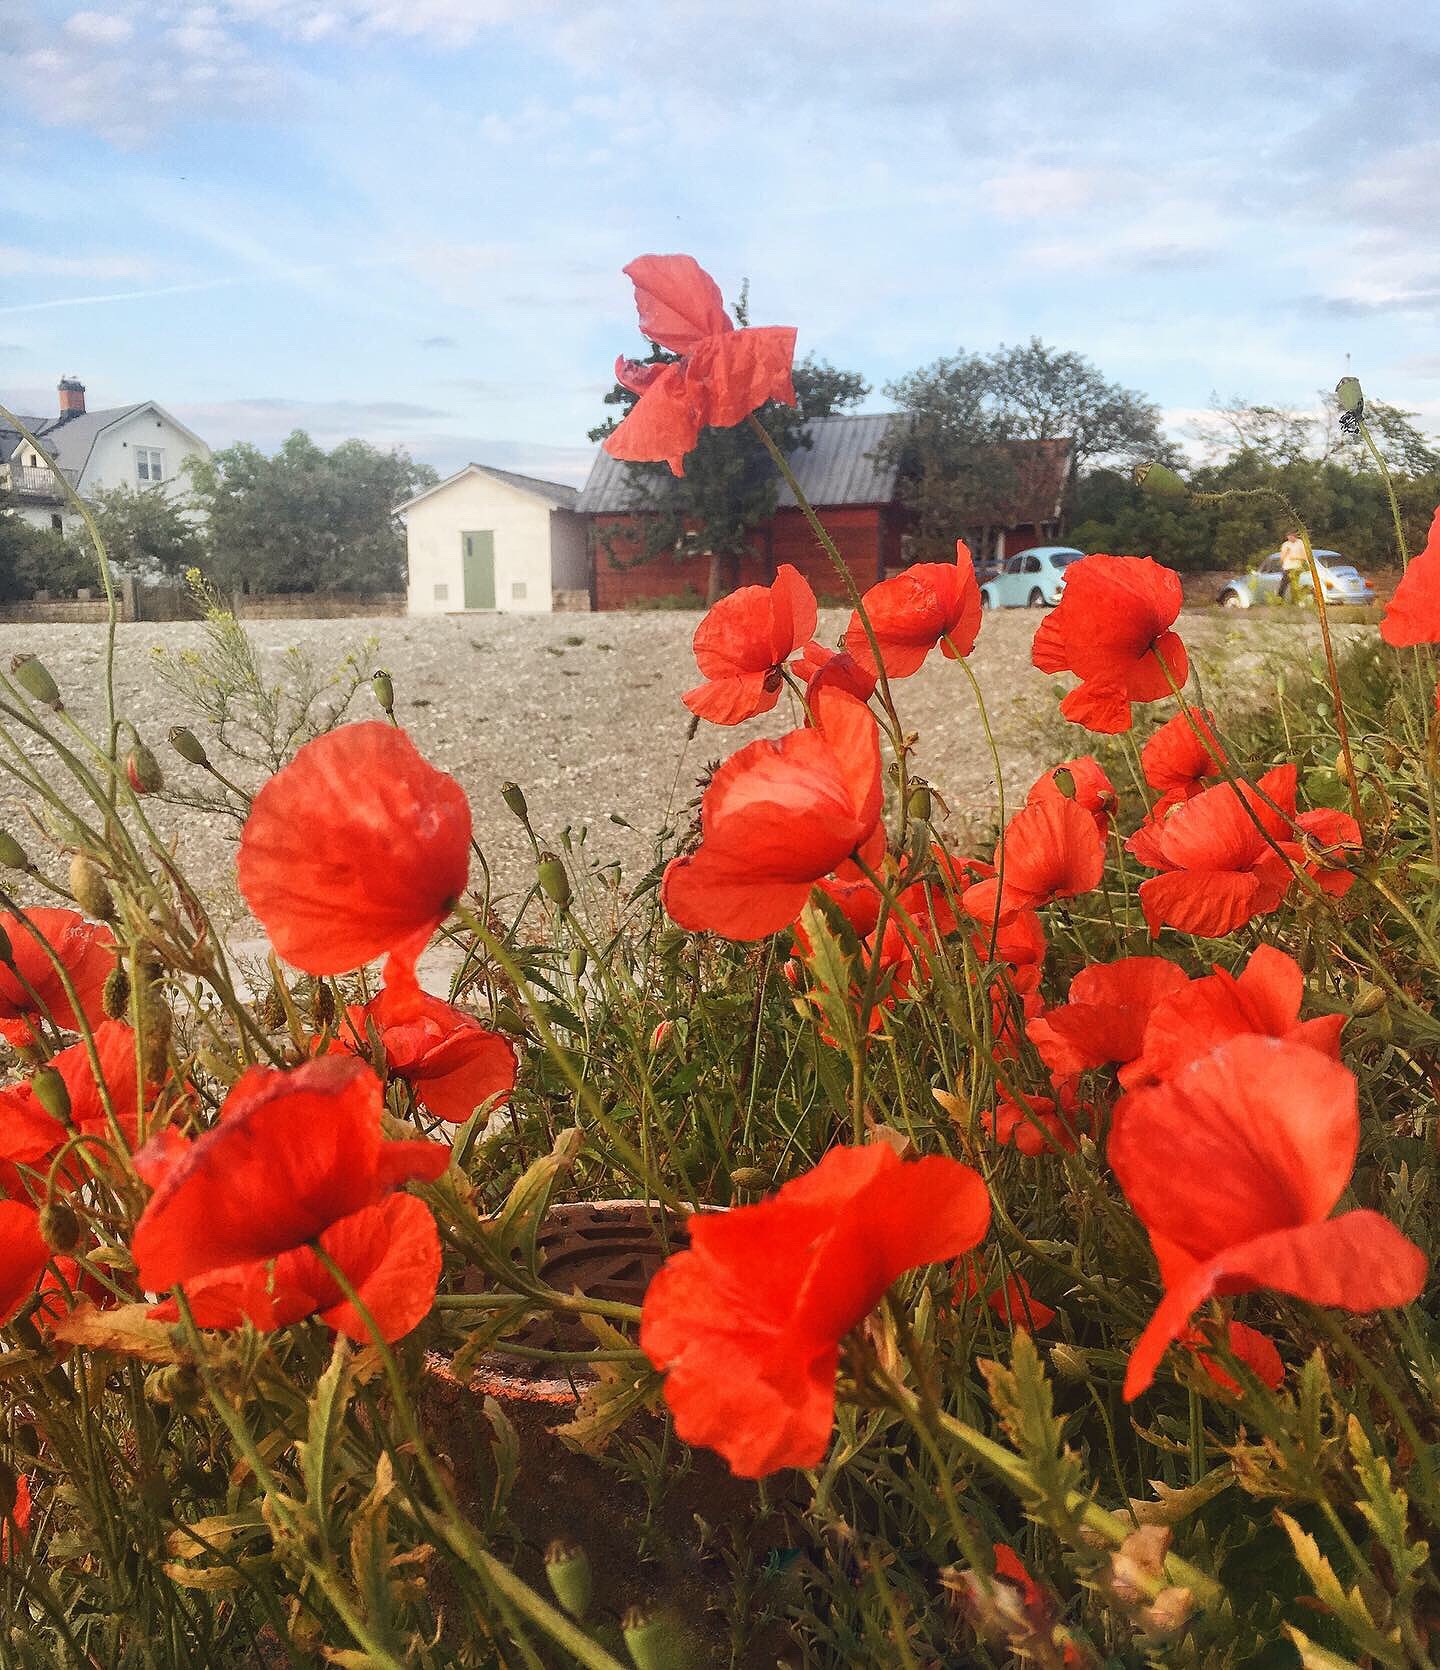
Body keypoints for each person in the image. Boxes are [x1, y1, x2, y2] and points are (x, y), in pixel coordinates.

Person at [1278, 530, 1307, 602]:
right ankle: (1280, 600)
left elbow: (1305, 556)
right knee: (1283, 584)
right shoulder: (1285, 545)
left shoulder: (1300, 543)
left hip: (1297, 567)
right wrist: (1286, 552)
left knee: (1295, 585)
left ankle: (1295, 600)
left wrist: (1296, 557)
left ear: (1294, 536)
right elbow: (1281, 558)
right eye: (1288, 537)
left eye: (1291, 536)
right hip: (1287, 567)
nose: (1290, 538)